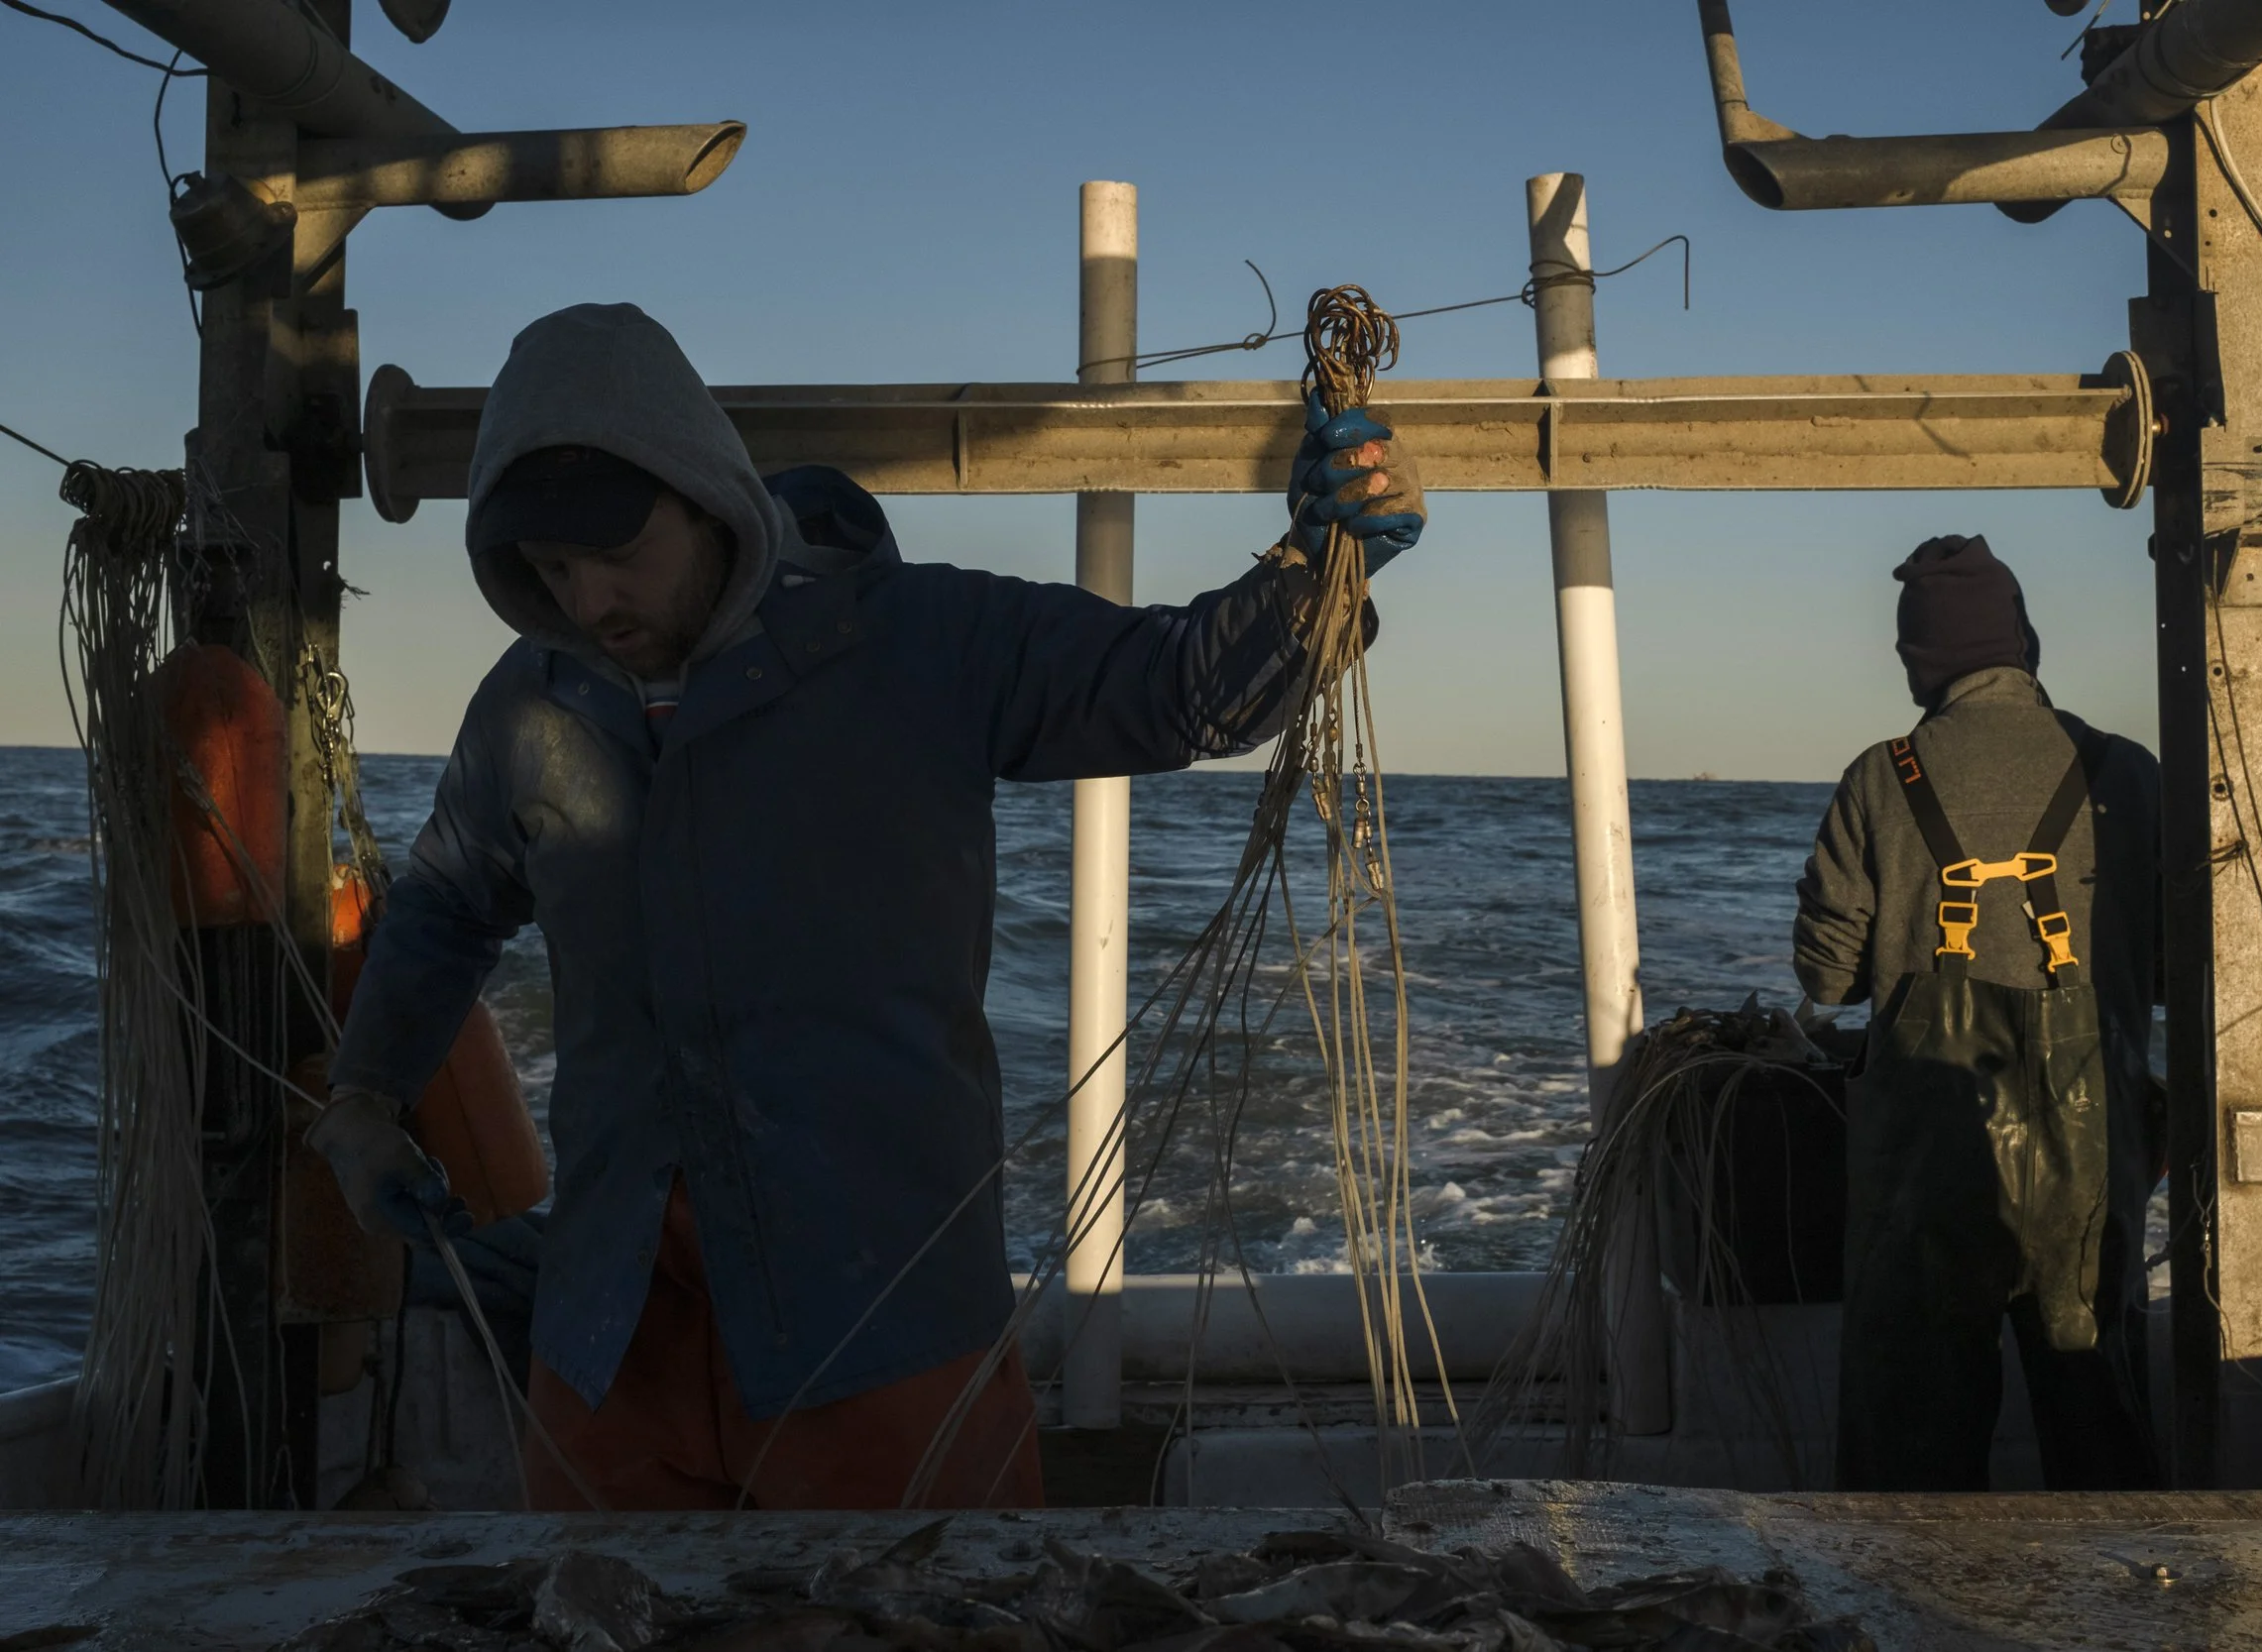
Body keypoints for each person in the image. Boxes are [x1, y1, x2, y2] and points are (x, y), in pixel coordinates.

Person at [306, 302, 1424, 1510]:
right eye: (552, 568)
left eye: (618, 549)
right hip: (609, 1328)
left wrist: (1318, 571)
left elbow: (1173, 689)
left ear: (704, 491)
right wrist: (365, 1096)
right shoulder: (525, 709)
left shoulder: (924, 640)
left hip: (885, 1319)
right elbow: (442, 906)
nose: (590, 598)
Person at [1794, 533, 2161, 1492]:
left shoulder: (1881, 778)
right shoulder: (2125, 775)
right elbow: (2166, 966)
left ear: (1919, 663)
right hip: (2091, 1172)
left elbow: (1826, 975)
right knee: (2105, 1447)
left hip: (1927, 1181)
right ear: (2021, 640)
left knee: (1906, 1483)